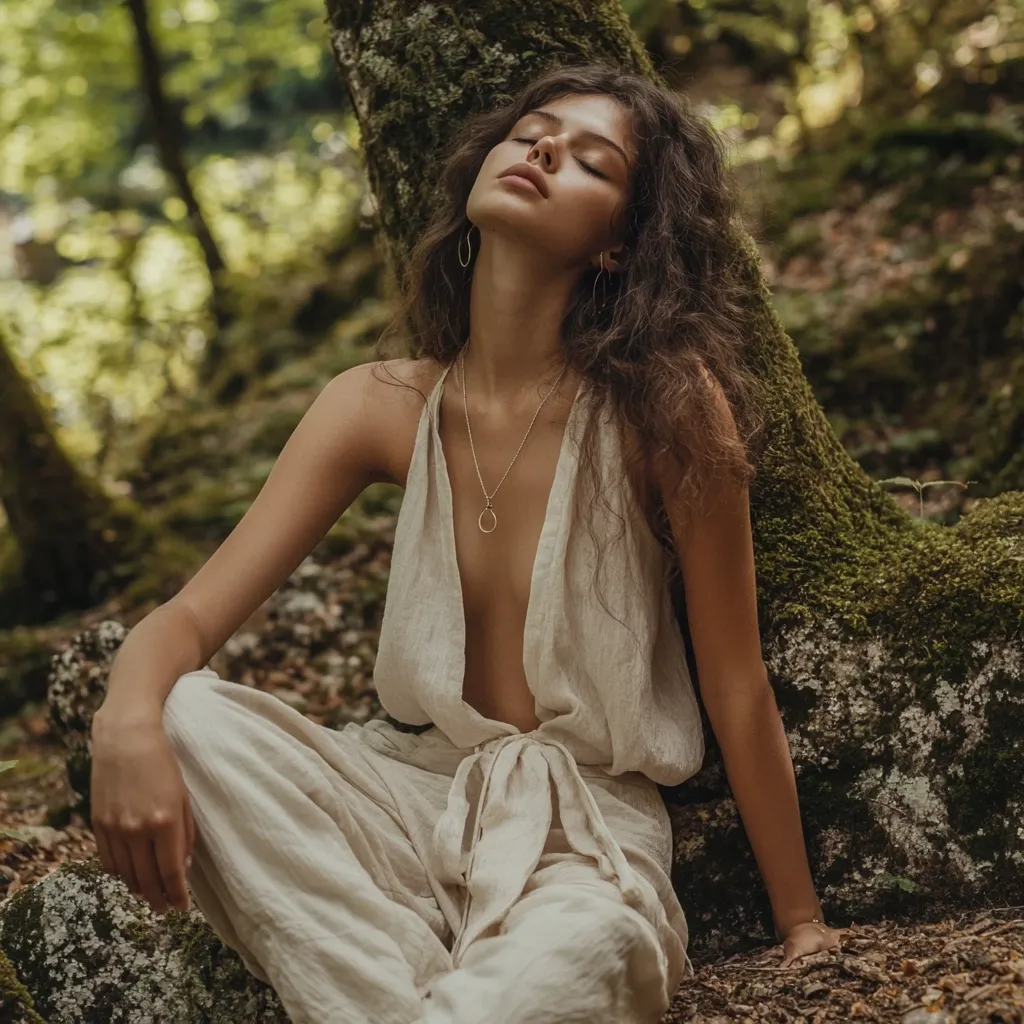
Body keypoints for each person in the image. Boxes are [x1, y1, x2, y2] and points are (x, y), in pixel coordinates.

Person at [89, 60, 844, 1024]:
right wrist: (125, 718)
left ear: (618, 243)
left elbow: (737, 684)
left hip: (583, 838)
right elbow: (192, 618)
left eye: (591, 161)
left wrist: (801, 919)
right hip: (405, 803)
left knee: (599, 947)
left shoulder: (668, 413)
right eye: (534, 130)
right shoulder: (375, 406)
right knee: (184, 714)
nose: (542, 150)